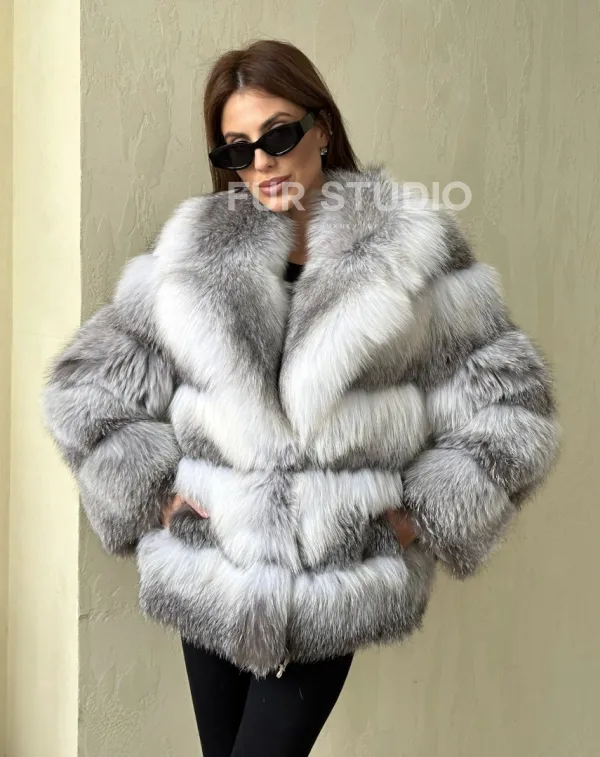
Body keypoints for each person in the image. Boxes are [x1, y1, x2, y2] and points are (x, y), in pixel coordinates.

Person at [40, 38, 560, 757]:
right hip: (211, 575)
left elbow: (515, 407)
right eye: (237, 149)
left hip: (332, 582)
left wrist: (421, 516)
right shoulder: (192, 254)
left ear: (322, 128)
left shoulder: (410, 252)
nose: (261, 163)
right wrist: (152, 495)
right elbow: (84, 387)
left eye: (279, 136)